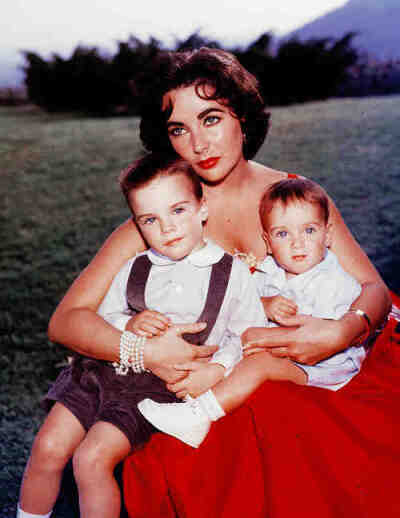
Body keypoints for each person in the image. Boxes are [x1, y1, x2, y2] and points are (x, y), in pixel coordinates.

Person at [44, 47, 396, 517]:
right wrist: (148, 352)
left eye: (210, 119)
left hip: (314, 372)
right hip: (208, 386)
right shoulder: (162, 221)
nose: (198, 144)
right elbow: (66, 321)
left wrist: (343, 331)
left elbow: (371, 289)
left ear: (243, 118)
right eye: (179, 129)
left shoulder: (294, 196)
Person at [17, 152, 266, 518]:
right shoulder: (136, 266)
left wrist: (219, 370)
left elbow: (245, 335)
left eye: (178, 210)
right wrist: (129, 325)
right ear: (138, 224)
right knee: (48, 446)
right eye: (151, 219)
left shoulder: (232, 274)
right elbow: (106, 317)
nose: (167, 228)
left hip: (153, 390)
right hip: (102, 371)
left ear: (202, 207)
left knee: (91, 459)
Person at [138, 178, 372, 447]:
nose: (298, 244)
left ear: (328, 235)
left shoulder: (336, 283)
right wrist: (264, 304)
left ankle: (198, 416)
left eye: (309, 230)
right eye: (283, 234)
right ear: (268, 242)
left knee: (257, 362)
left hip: (324, 368)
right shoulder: (268, 270)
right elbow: (242, 307)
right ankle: (201, 384)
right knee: (231, 339)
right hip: (275, 352)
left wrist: (259, 332)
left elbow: (321, 339)